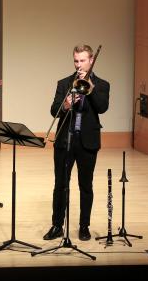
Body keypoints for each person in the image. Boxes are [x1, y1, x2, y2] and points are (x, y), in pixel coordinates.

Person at [43, 44, 110, 241]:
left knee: (85, 185)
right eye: (76, 60)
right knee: (60, 185)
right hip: (65, 140)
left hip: (87, 141)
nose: (78, 64)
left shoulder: (102, 85)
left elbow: (102, 107)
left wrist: (91, 90)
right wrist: (65, 105)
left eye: (82, 60)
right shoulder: (64, 83)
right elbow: (54, 110)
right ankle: (57, 225)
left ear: (91, 61)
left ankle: (84, 226)